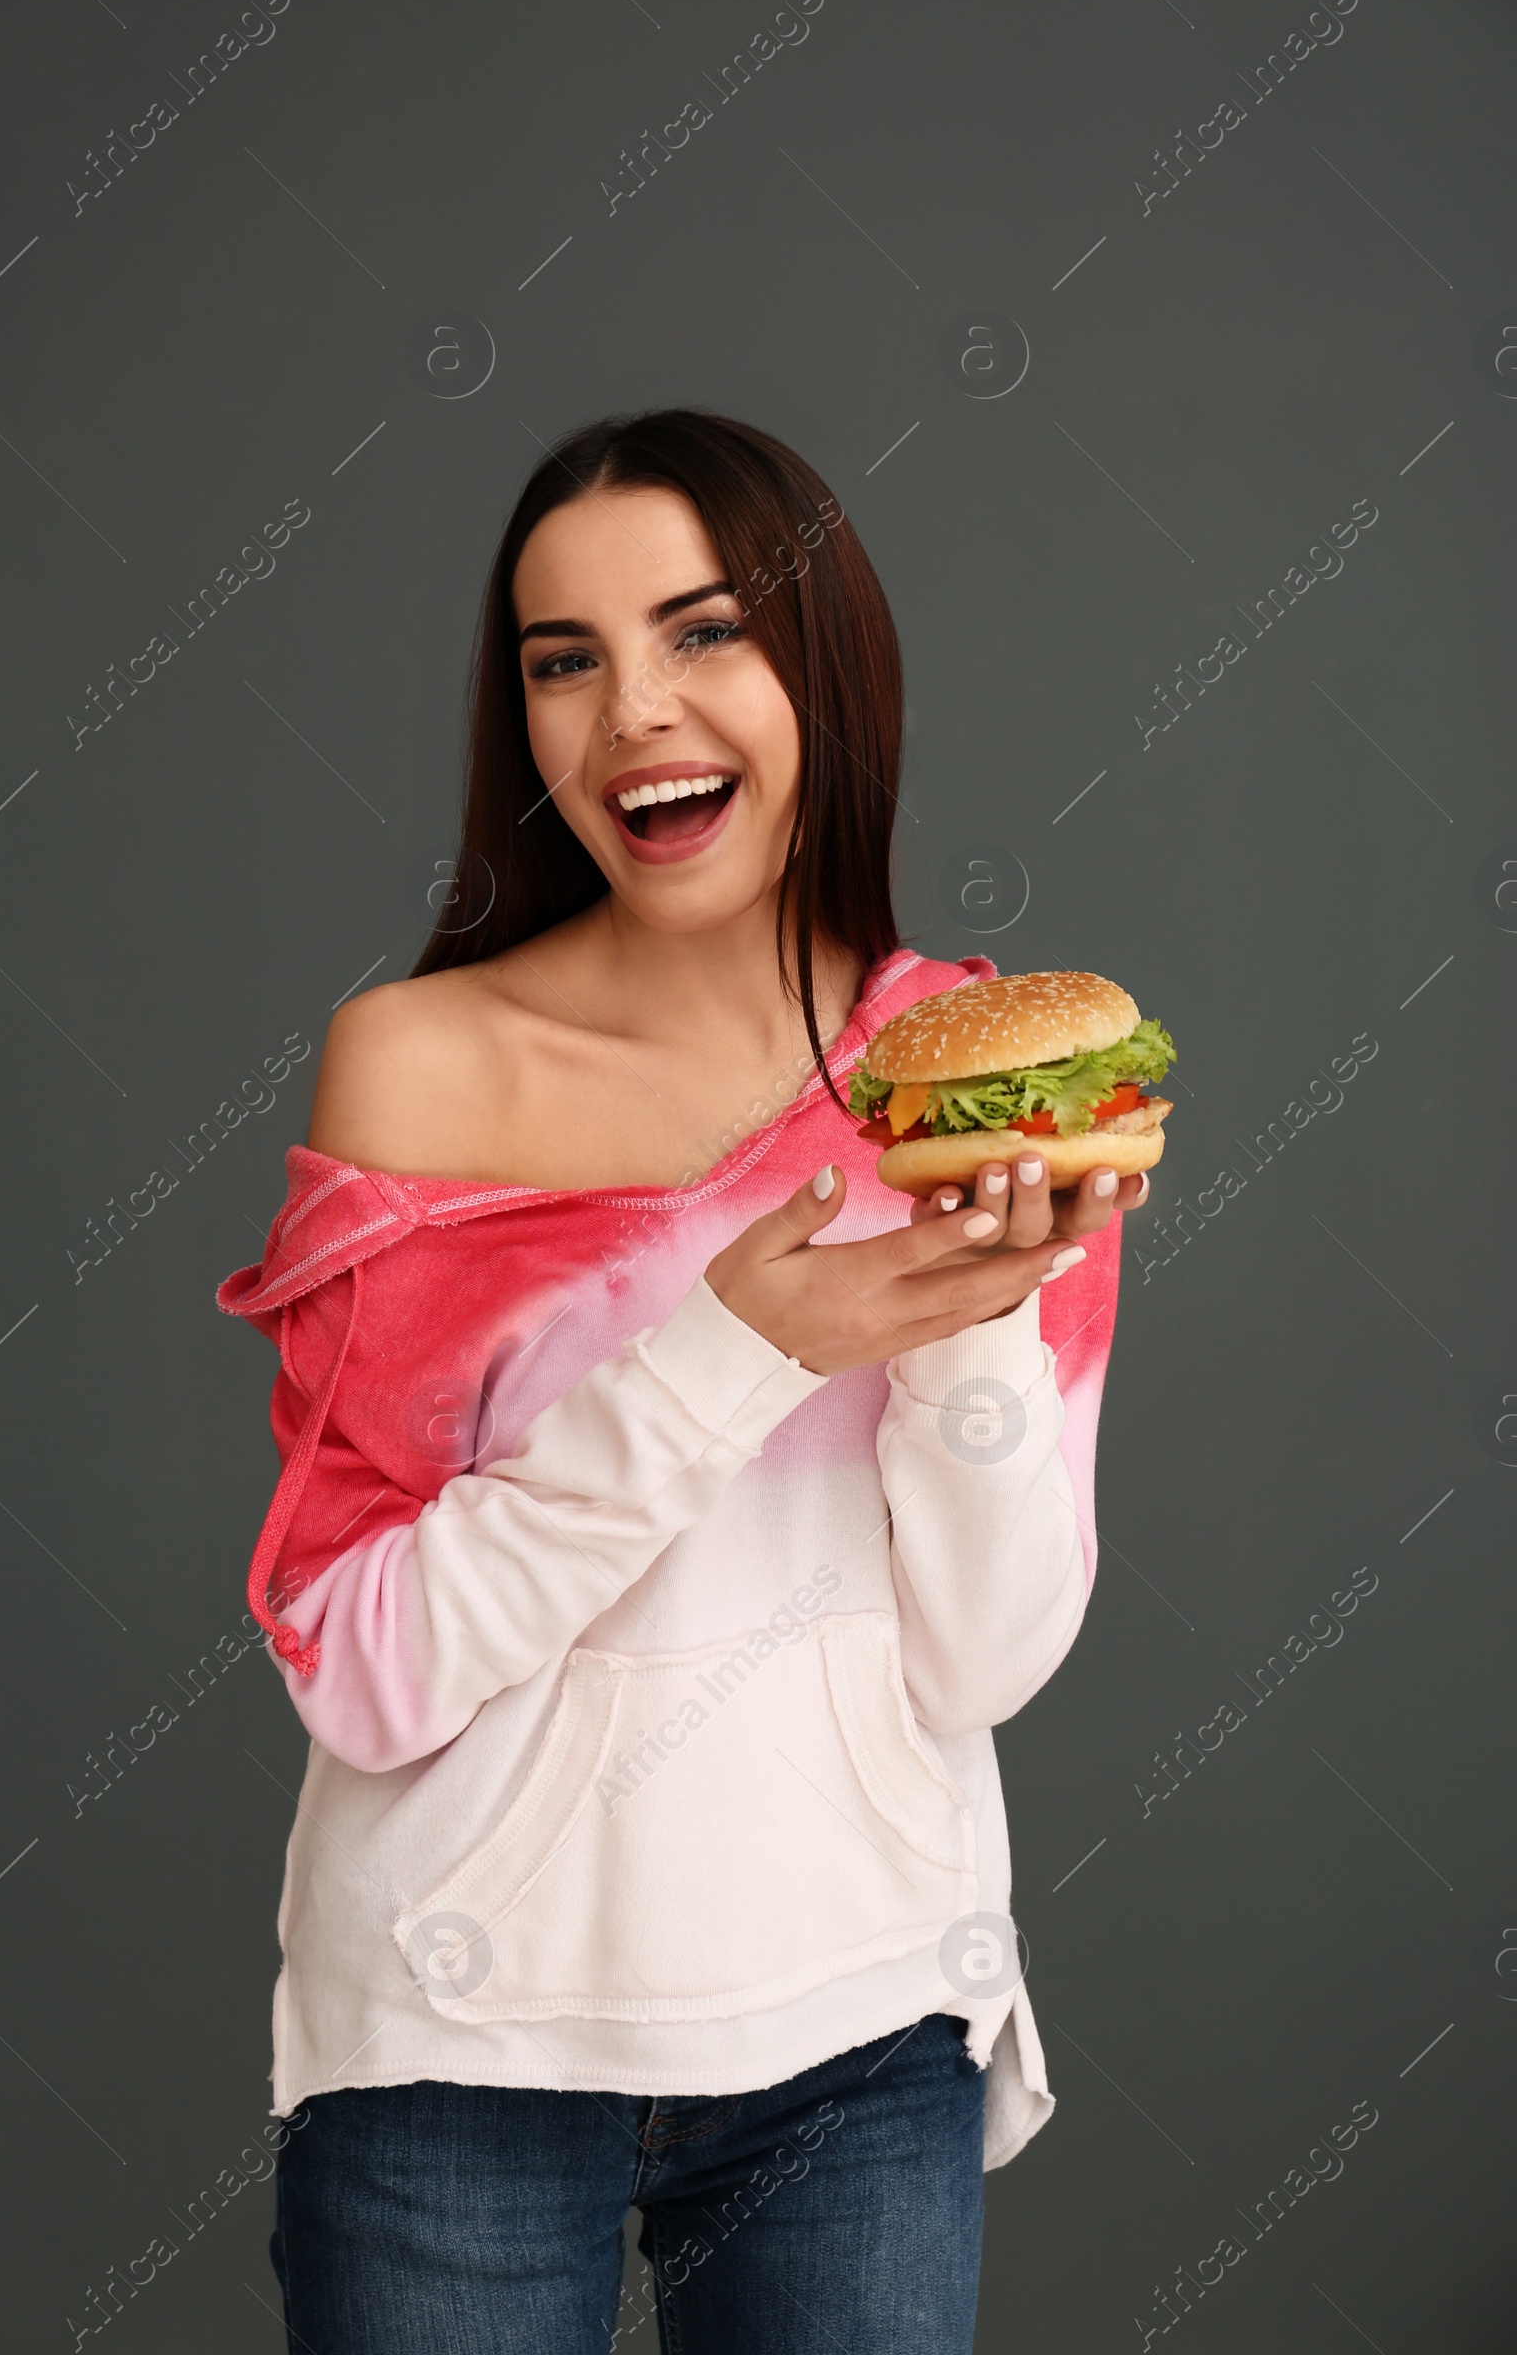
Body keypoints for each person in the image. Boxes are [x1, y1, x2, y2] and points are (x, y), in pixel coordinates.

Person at [216, 407, 1151, 2353]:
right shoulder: (420, 1065)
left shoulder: (980, 1079)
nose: (631, 707)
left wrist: (967, 1311)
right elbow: (361, 1657)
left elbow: (980, 1660)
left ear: (823, 662)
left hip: (851, 2038)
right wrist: (736, 1346)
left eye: (701, 631)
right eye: (565, 659)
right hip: (452, 2045)